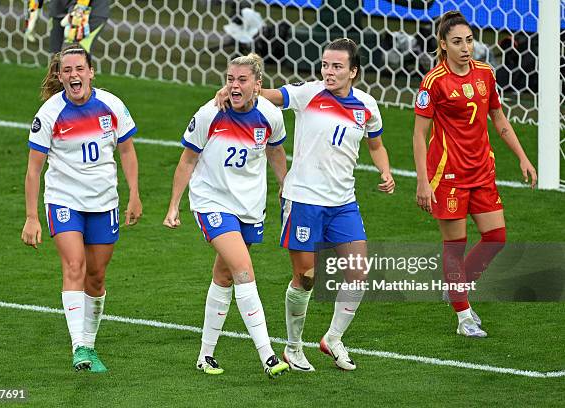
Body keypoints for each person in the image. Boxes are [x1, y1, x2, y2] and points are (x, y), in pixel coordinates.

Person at [217, 38, 395, 372]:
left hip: (344, 203)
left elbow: (377, 145)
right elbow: (273, 95)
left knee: (358, 273)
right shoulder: (309, 93)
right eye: (326, 65)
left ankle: (333, 338)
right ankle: (294, 347)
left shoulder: (367, 106)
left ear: (353, 71)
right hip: (304, 201)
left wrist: (385, 170)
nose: (329, 72)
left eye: (337, 66)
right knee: (307, 277)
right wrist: (241, 90)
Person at [163, 53, 291, 378]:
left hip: (248, 206)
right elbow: (187, 160)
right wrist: (174, 205)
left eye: (241, 80)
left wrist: (285, 185)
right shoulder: (210, 114)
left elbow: (276, 151)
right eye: (230, 79)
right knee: (244, 269)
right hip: (212, 202)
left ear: (257, 85)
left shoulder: (271, 116)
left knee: (224, 276)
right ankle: (268, 355)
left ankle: (205, 356)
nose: (234, 85)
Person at [412, 11, 537, 338]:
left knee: (496, 238)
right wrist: (423, 182)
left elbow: (499, 118)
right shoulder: (434, 82)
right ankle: (464, 316)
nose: (466, 47)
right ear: (443, 44)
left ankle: (456, 287)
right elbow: (418, 134)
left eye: (469, 40)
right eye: (457, 42)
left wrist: (523, 157)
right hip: (449, 174)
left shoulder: (485, 74)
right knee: (455, 244)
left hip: (482, 170)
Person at [21, 44, 142, 372]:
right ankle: (79, 349)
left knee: (96, 275)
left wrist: (134, 194)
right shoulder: (49, 114)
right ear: (60, 77)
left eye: (79, 69)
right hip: (64, 200)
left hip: (104, 202)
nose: (74, 75)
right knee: (74, 266)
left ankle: (89, 343)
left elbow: (127, 152)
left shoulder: (111, 105)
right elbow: (34, 169)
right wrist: (32, 217)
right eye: (67, 71)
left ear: (90, 72)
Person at [24, 0, 109, 54]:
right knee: (55, 58)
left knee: (74, 57)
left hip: (90, 11)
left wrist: (80, 8)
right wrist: (33, 7)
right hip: (58, 8)